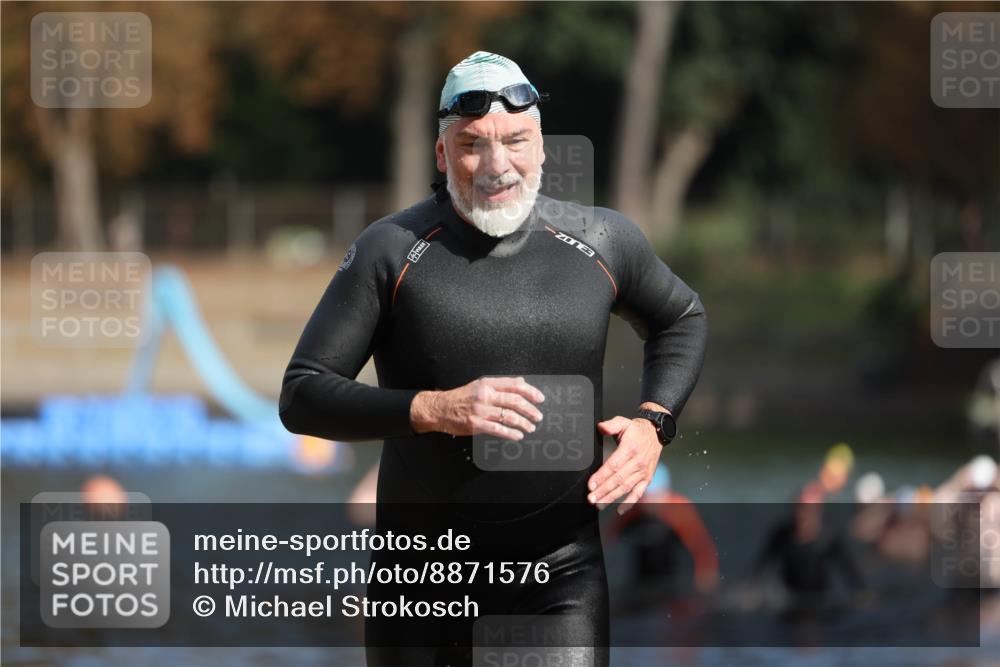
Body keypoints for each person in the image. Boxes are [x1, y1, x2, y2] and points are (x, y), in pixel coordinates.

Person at [279, 51, 707, 666]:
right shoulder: (390, 250)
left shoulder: (601, 241)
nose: (497, 164)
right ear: (441, 154)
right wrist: (435, 409)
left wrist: (653, 422)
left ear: (542, 149)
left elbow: (681, 317)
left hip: (559, 577)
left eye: (515, 140)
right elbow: (302, 393)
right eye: (473, 144)